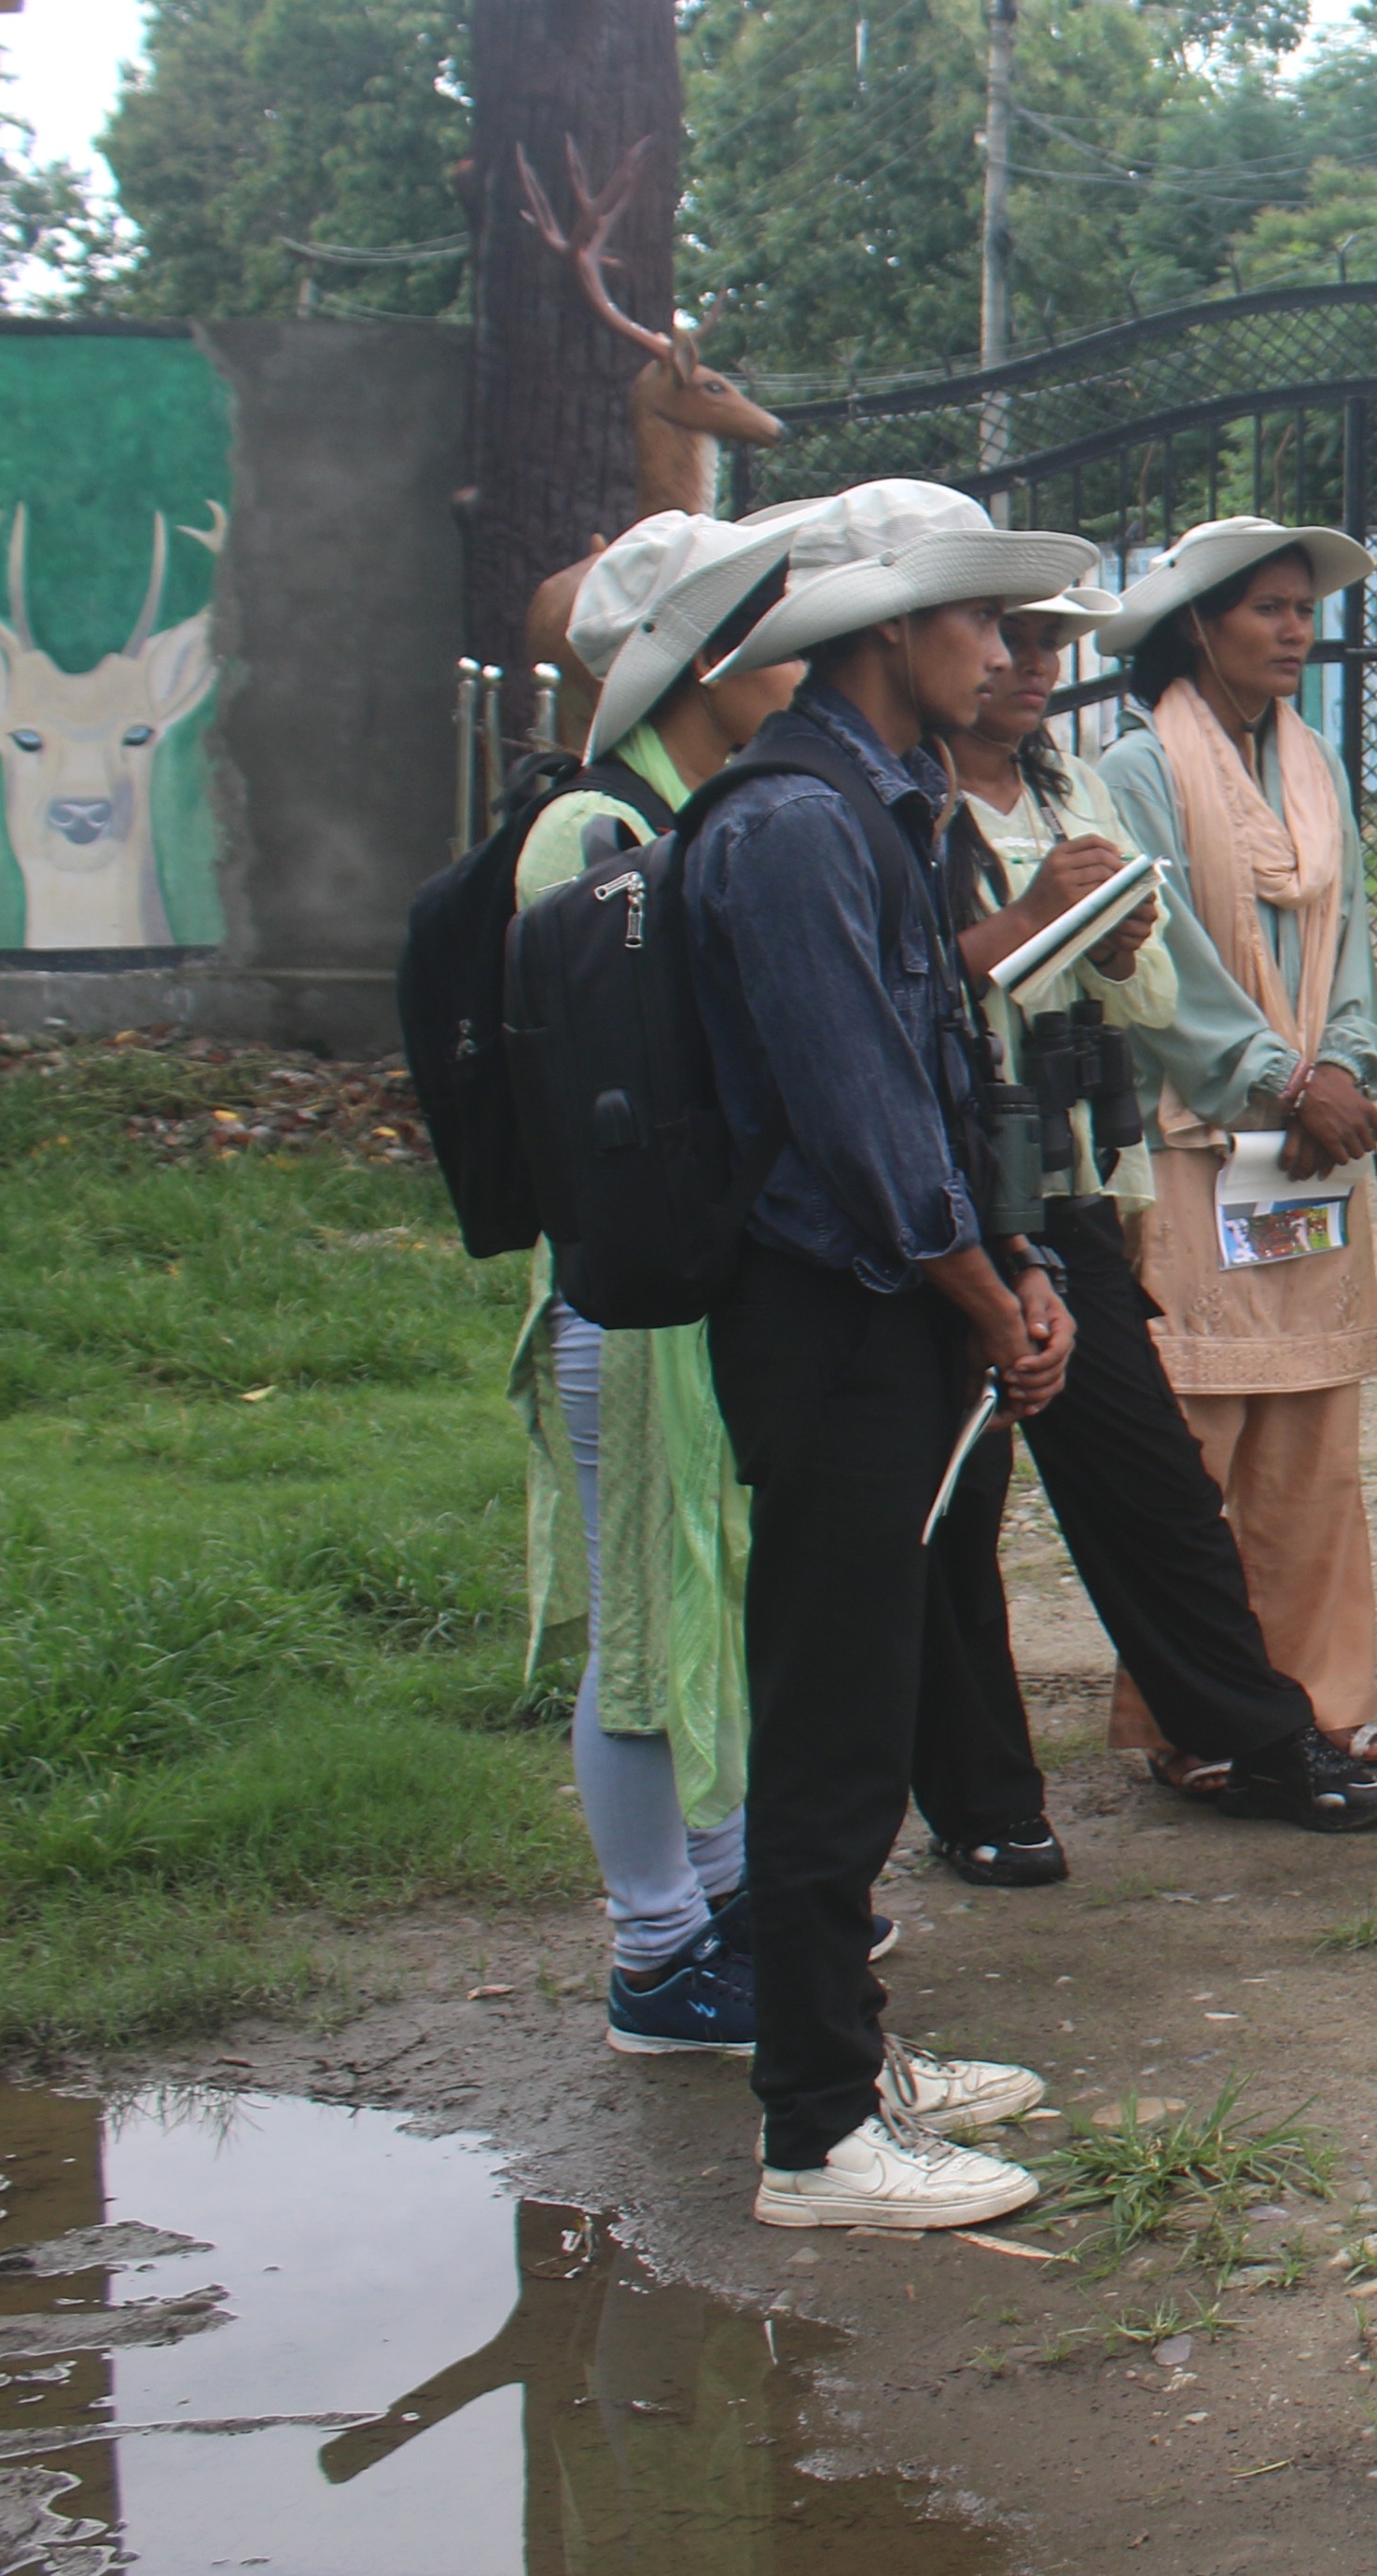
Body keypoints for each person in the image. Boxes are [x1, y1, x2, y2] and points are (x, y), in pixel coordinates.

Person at [685, 481, 1091, 2234]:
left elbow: (932, 1075)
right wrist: (980, 1291)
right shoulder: (789, 826)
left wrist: (1009, 1259)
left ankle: (852, 2061)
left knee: (875, 1679)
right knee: (834, 1709)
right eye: (975, 620)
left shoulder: (883, 808)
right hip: (830, 1316)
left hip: (903, 1299)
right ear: (886, 634)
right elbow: (855, 1117)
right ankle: (816, 2135)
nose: (1005, 656)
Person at [923, 584, 1377, 1839]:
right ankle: (987, 1801)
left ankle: (1258, 1724)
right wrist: (1269, 1076)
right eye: (1000, 638)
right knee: (956, 1506)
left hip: (1083, 1171)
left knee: (1158, 1488)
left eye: (1043, 643)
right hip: (953, 1178)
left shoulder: (1071, 789)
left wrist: (1334, 1061)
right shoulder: (898, 805)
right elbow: (899, 985)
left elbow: (1151, 977)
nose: (1024, 663)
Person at [517, 509, 800, 2059]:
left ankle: (725, 1895)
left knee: (710, 1589)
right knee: (642, 1624)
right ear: (704, 658)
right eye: (774, 631)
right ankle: (655, 1952)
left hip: (701, 1284)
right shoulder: (596, 832)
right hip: (630, 1297)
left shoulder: (697, 808)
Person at [1095, 520, 1377, 1764]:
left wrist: (1342, 1069)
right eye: (1267, 609)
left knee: (1315, 1447)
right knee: (1197, 1447)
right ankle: (1197, 1719)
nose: (1294, 630)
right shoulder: (1133, 771)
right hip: (1195, 1148)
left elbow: (1354, 954)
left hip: (1311, 1152)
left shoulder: (1318, 764)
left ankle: (1322, 1702)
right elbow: (1158, 959)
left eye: (1301, 608)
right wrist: (1279, 1079)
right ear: (1198, 626)